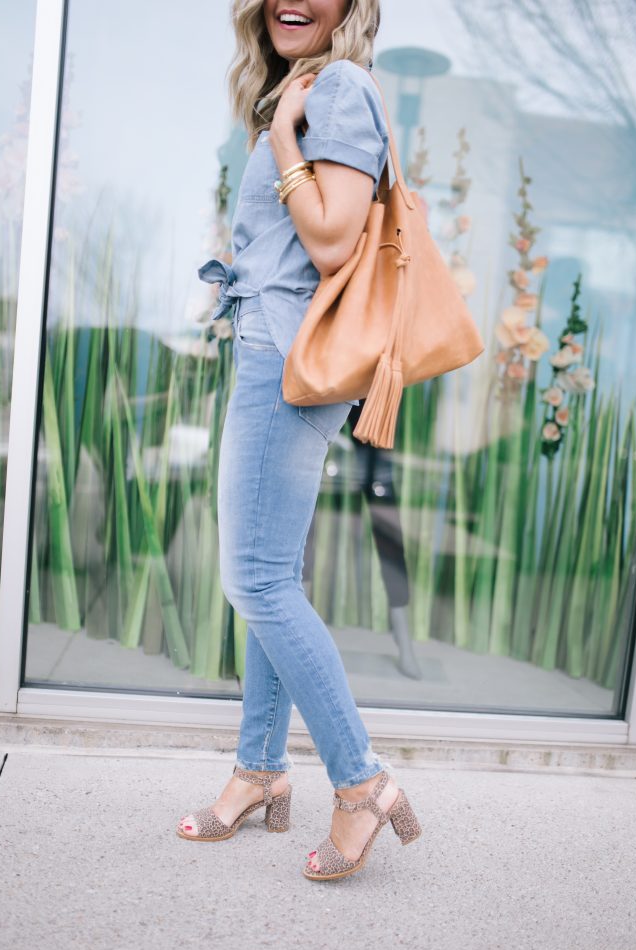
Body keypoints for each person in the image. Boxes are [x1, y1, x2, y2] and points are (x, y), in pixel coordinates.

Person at [176, 0, 421, 881]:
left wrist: (284, 138)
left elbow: (331, 238)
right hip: (272, 351)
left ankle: (360, 784)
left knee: (256, 579)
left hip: (289, 360)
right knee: (270, 576)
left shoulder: (339, 89)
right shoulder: (304, 89)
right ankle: (258, 770)